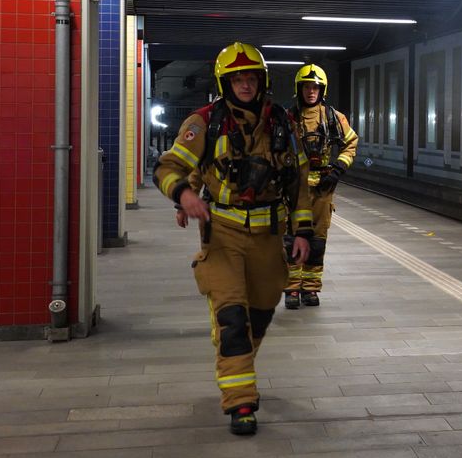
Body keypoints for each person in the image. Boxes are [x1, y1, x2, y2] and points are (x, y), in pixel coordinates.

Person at [153, 41, 314, 435]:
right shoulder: (205, 121)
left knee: (259, 314)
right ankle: (240, 402)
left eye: (251, 77)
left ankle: (237, 364)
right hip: (223, 235)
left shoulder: (282, 123)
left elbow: (298, 182)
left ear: (261, 81)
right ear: (226, 83)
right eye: (237, 78)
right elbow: (168, 167)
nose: (245, 84)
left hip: (268, 237)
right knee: (232, 318)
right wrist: (184, 196)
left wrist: (304, 231)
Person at [283, 63, 358, 309]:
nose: (311, 91)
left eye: (315, 87)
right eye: (307, 86)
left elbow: (351, 142)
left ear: (322, 90)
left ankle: (311, 289)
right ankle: (292, 289)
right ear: (299, 89)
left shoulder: (334, 118)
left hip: (322, 191)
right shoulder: (288, 119)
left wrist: (337, 169)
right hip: (294, 191)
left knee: (317, 240)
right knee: (291, 238)